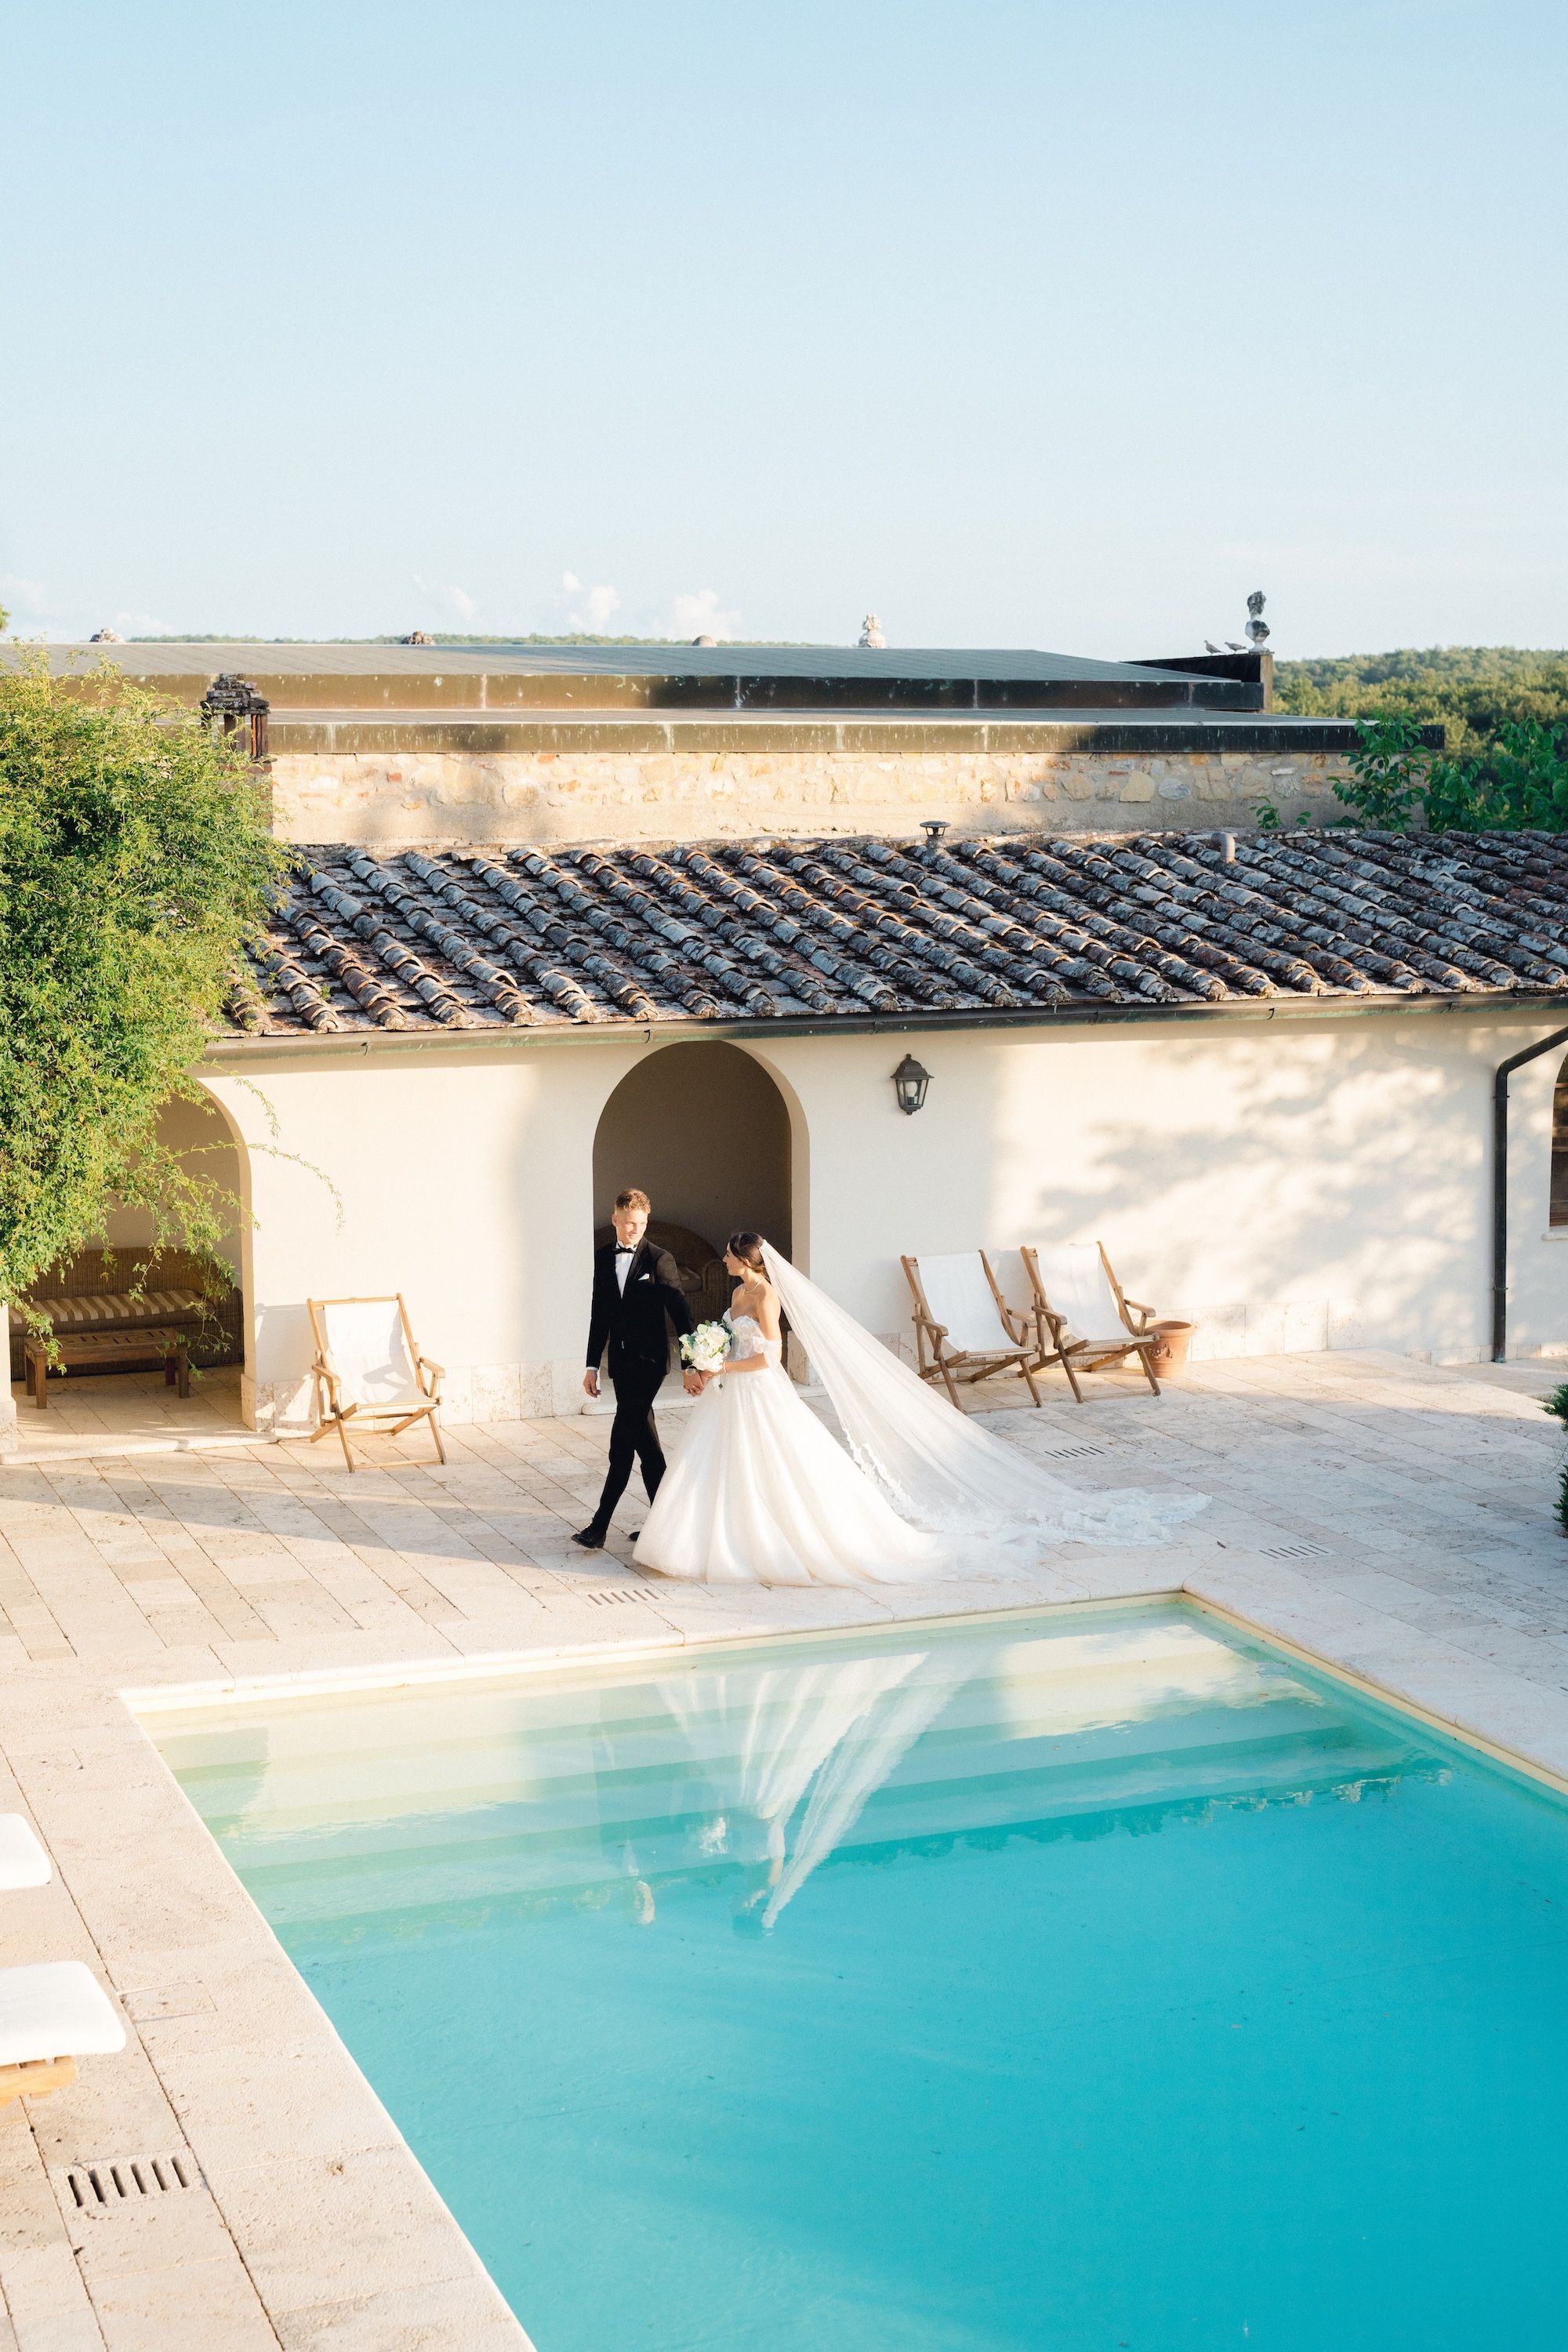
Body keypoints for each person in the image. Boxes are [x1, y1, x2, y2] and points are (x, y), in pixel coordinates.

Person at [633, 1232, 1207, 1588]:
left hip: (758, 1394)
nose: (728, 1267)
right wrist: (710, 1358)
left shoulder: (765, 1296)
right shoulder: (735, 1296)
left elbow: (770, 1362)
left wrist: (719, 1369)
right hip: (730, 1398)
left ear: (744, 1261)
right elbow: (735, 1342)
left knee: (782, 1471)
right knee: (720, 1469)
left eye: (732, 1260)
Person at [575, 1189, 694, 1552]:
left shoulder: (660, 1259)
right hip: (621, 1364)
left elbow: (681, 1314)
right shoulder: (602, 1257)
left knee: (622, 1443)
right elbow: (600, 1313)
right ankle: (665, 1524)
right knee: (647, 1444)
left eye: (641, 1224)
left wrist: (690, 1365)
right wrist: (592, 1364)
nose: (635, 1230)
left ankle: (599, 1527)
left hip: (650, 1364)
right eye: (629, 1223)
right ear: (615, 1219)